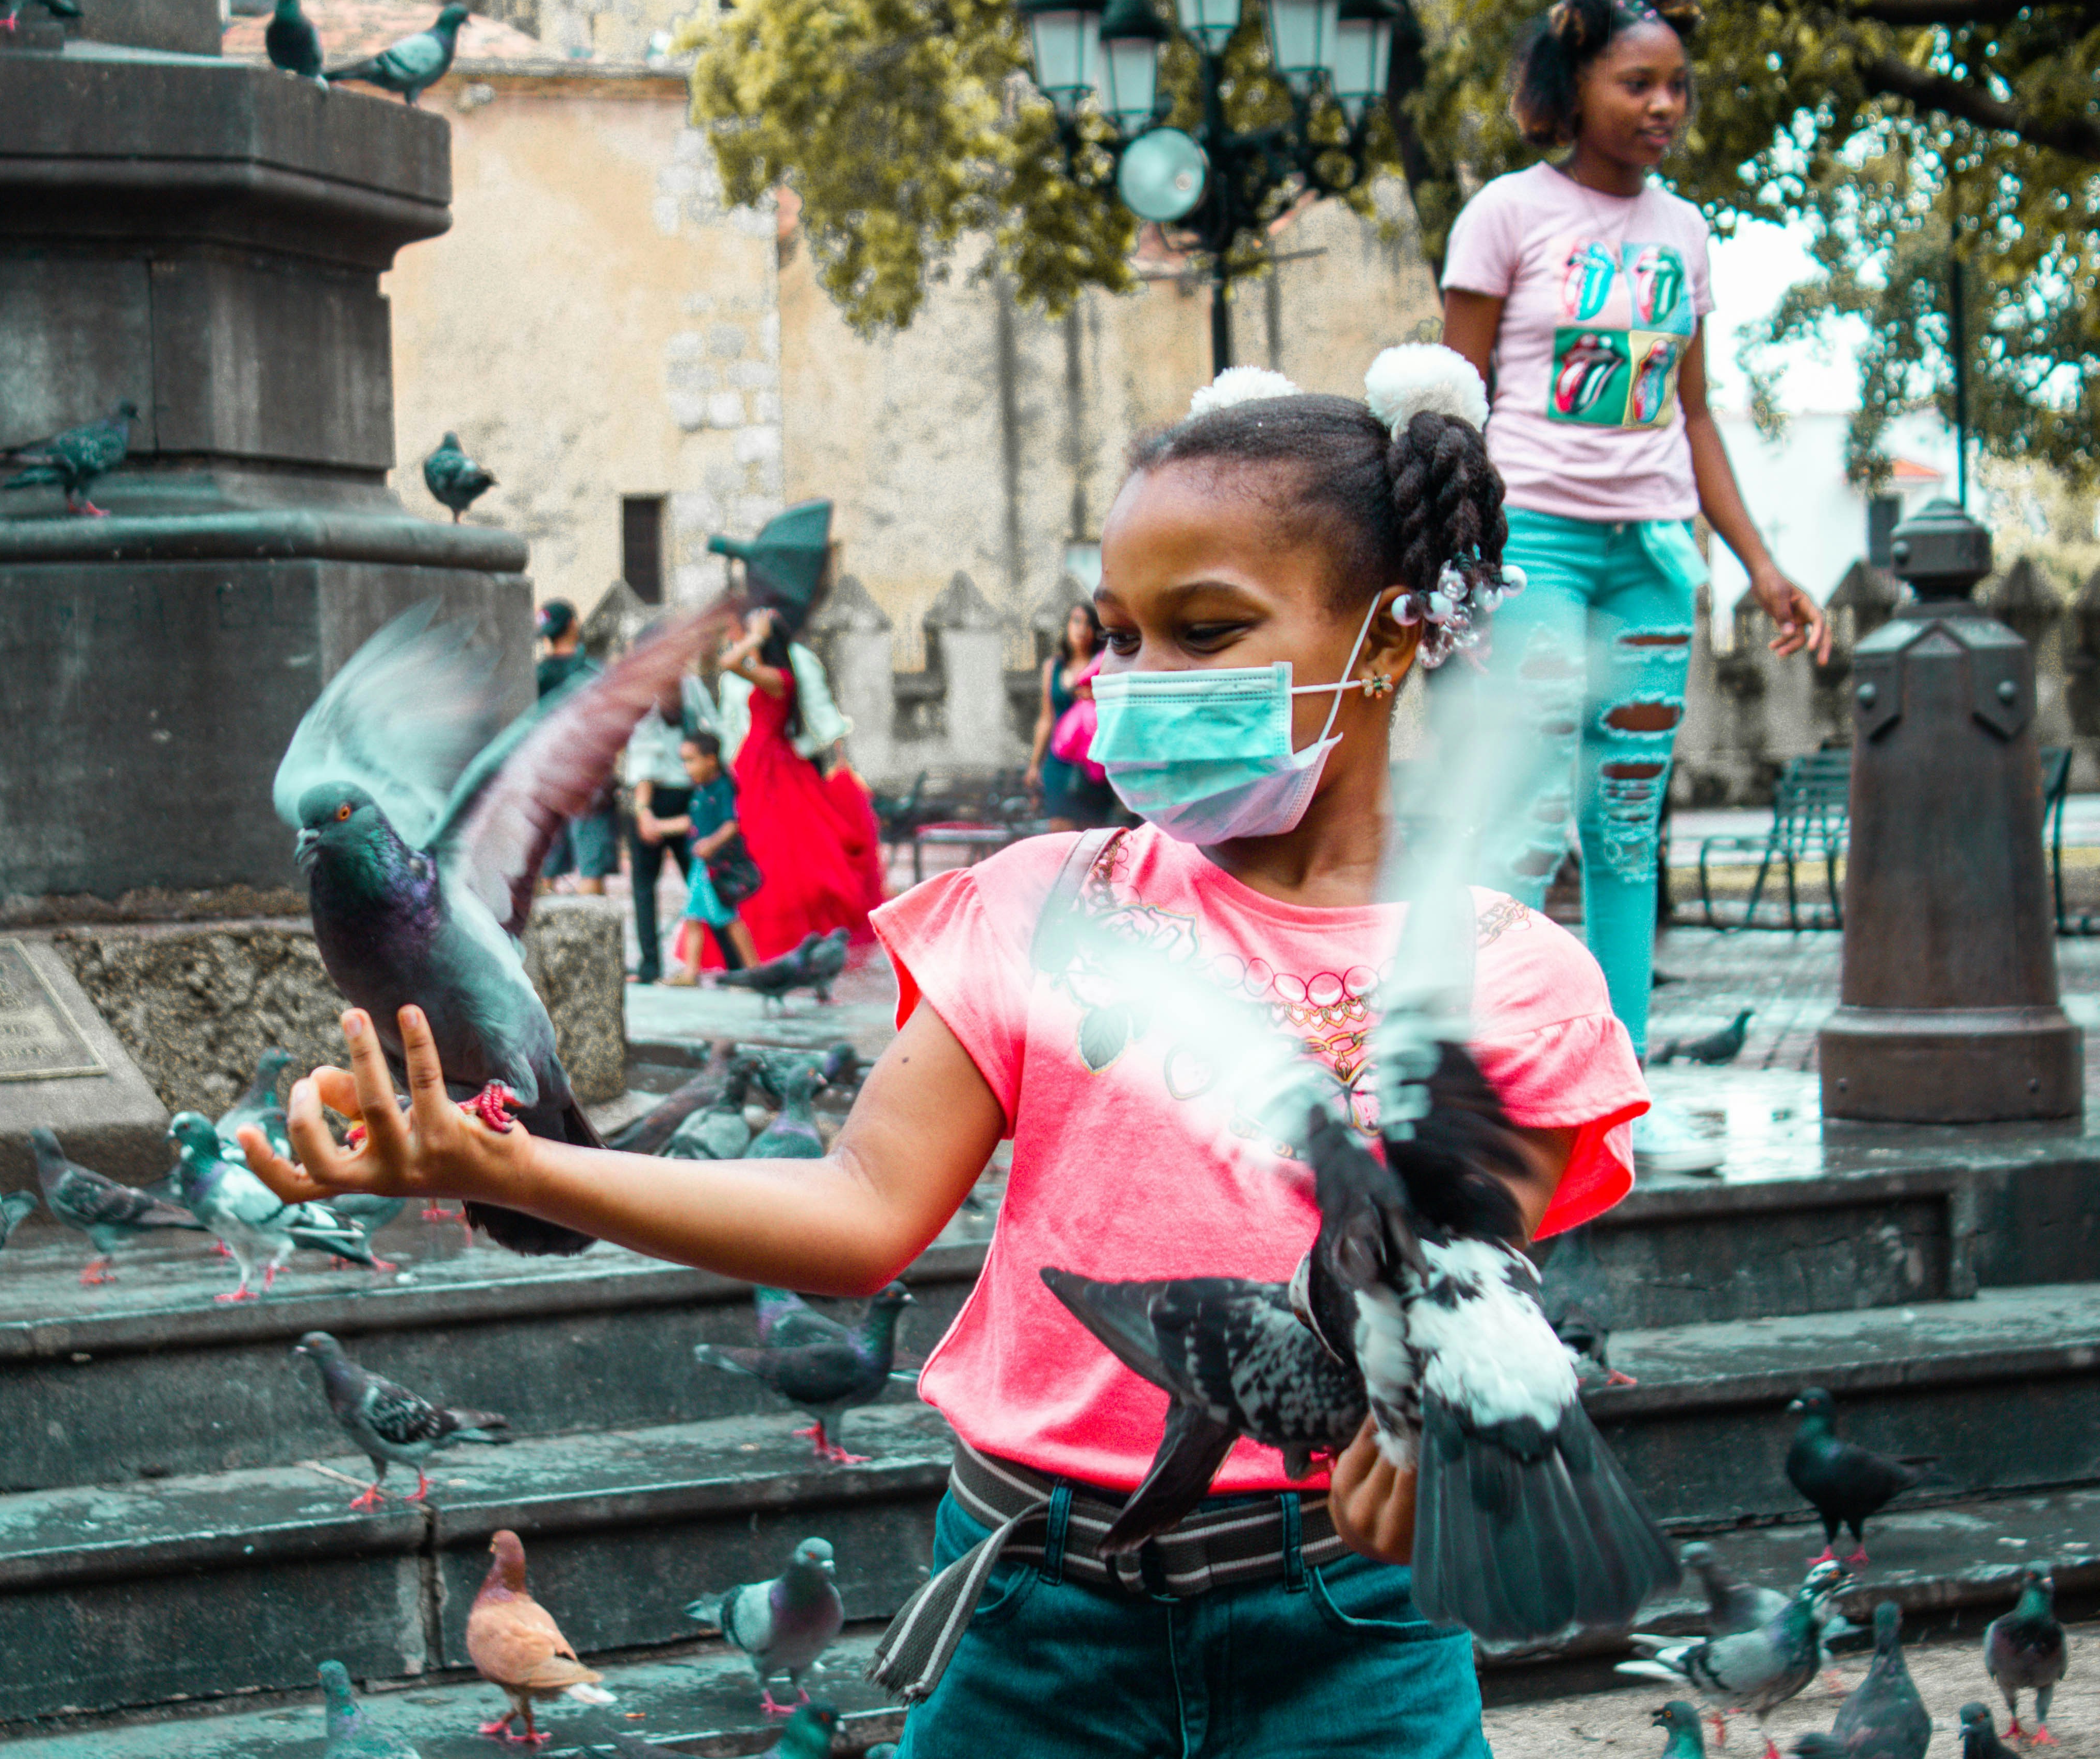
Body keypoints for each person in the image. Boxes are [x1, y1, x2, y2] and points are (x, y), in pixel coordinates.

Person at [239, 350, 1650, 1759]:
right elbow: (858, 1212)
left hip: (1354, 1634)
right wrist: (517, 1165)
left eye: (1203, 633)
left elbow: (1459, 1294)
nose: (1131, 684)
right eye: (1117, 636)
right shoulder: (1041, 904)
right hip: (1031, 1621)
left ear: (1391, 640)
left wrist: (1425, 1442)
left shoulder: (1512, 978)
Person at [1435, 0, 1829, 1167]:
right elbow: (1452, 403)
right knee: (1522, 819)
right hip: (1536, 543)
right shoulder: (1504, 215)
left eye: (1676, 87)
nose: (1664, 106)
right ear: (1575, 90)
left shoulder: (1686, 234)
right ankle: (1487, 1070)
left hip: (1653, 557)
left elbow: (1695, 413)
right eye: (1636, 83)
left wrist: (1761, 565)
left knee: (1621, 821)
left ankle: (1612, 1083)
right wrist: (1447, 555)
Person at [715, 608, 887, 960]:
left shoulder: (780, 677)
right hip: (758, 759)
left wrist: (755, 636)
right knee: (759, 838)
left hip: (770, 761)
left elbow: (729, 662)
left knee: (777, 844)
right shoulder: (772, 674)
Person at [621, 672, 729, 983]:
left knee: (699, 882)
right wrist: (644, 812)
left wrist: (643, 811)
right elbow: (645, 754)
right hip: (665, 794)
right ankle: (654, 965)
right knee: (663, 883)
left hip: (674, 795)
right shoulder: (683, 685)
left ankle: (729, 963)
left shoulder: (686, 685)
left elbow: (644, 753)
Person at [656, 730, 761, 984]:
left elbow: (731, 825)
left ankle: (755, 971)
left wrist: (711, 844)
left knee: (728, 917)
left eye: (691, 760)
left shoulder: (722, 788)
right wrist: (659, 827)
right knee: (693, 917)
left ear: (711, 760)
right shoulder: (701, 791)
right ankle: (692, 972)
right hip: (700, 867)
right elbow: (693, 822)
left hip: (714, 867)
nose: (686, 767)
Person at [534, 599, 616, 896]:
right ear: (573, 625)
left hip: (548, 775)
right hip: (590, 775)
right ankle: (593, 940)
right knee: (591, 863)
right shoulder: (594, 673)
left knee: (546, 864)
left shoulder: (537, 677)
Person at [1026, 600, 1114, 831]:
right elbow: (1047, 718)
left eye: (1088, 623)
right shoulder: (1053, 667)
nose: (1081, 629)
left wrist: (1097, 697)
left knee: (1093, 836)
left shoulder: (1105, 665)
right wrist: (1035, 764)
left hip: (1094, 762)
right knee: (1059, 831)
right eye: (1076, 621)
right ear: (1067, 626)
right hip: (1059, 762)